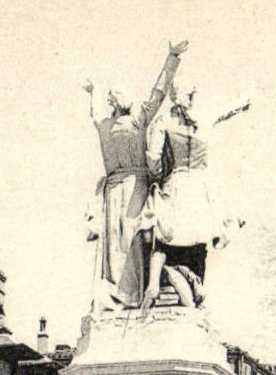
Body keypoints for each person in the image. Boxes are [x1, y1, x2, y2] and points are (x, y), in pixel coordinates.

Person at [83, 41, 187, 308]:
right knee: (123, 243)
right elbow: (157, 94)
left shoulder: (117, 124)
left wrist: (92, 91)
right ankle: (127, 295)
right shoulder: (123, 123)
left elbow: (157, 93)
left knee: (125, 242)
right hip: (127, 188)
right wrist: (172, 57)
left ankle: (128, 295)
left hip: (124, 187)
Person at [140, 85, 250, 310]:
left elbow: (153, 157)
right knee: (199, 244)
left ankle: (160, 285)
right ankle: (196, 288)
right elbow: (227, 110)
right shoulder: (205, 117)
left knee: (163, 239)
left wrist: (160, 175)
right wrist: (242, 102)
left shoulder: (164, 121)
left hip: (177, 184)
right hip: (201, 188)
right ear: (192, 95)